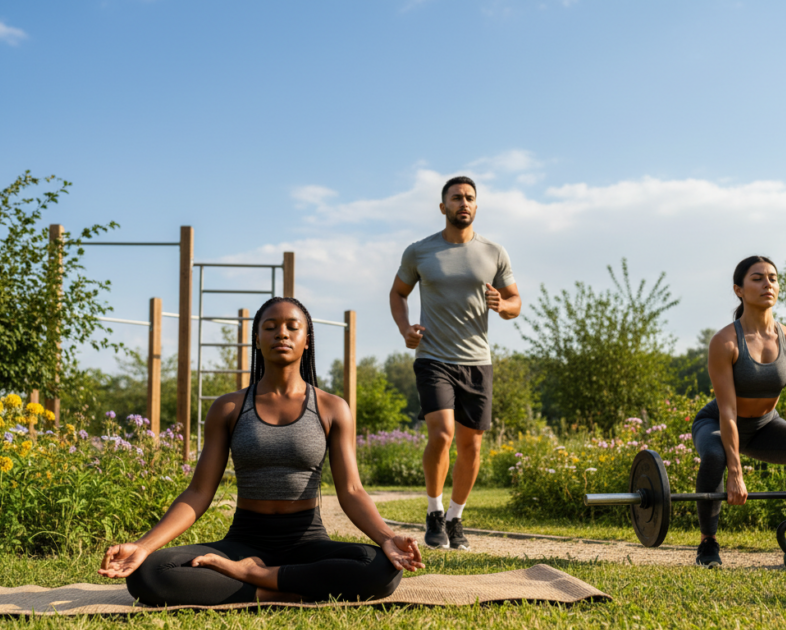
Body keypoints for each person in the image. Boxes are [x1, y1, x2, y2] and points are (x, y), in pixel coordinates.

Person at [99, 297, 424, 605]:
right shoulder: (228, 408)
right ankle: (290, 588)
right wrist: (142, 546)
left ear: (306, 339)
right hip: (244, 542)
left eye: (291, 326)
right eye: (270, 326)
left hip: (307, 541)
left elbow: (352, 490)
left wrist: (386, 537)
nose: (281, 332)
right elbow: (198, 491)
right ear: (257, 339)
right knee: (150, 573)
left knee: (380, 568)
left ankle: (255, 578)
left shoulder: (331, 407)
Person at [389, 176, 521, 551]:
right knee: (442, 433)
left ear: (476, 207)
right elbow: (398, 294)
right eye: (456, 198)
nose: (463, 203)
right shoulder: (419, 252)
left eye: (469, 198)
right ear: (442, 206)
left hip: (478, 361)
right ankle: (434, 511)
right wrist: (405, 329)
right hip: (433, 356)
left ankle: (455, 517)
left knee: (472, 446)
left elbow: (515, 303)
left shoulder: (494, 253)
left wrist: (503, 305)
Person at [692, 256, 786, 569]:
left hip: (766, 424)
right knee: (715, 456)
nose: (767, 284)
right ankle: (708, 544)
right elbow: (727, 410)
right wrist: (735, 472)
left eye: (772, 278)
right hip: (717, 422)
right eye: (757, 278)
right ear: (739, 290)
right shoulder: (725, 341)